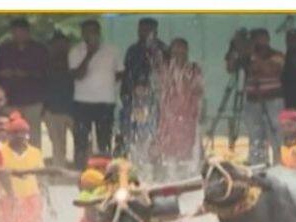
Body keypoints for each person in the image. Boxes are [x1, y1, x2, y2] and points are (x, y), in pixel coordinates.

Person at [69, 19, 124, 170]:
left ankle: (104, 171)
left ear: (99, 33)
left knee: (104, 140)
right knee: (81, 140)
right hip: (82, 101)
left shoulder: (112, 50)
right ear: (82, 33)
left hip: (105, 101)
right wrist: (89, 54)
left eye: (93, 31)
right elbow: (77, 75)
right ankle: (80, 172)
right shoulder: (76, 51)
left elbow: (120, 73)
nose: (89, 34)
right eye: (86, 31)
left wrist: (107, 83)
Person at [226, 28, 285, 165]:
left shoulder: (276, 54)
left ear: (267, 39)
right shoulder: (246, 56)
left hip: (273, 100)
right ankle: (258, 165)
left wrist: (252, 53)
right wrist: (234, 49)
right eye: (254, 39)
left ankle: (280, 163)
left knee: (276, 133)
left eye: (260, 38)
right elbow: (230, 68)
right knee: (255, 134)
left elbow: (269, 68)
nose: (258, 42)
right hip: (252, 100)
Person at [0, 112, 45, 222]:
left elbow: (40, 178)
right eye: (15, 133)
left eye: (22, 132)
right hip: (7, 199)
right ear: (8, 134)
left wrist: (48, 201)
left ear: (28, 134)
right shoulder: (0, 152)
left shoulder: (36, 152)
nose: (19, 136)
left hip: (31, 198)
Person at [150, 38, 204, 181]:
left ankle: (189, 178)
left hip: (188, 116)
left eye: (182, 50)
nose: (179, 53)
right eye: (175, 50)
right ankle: (169, 177)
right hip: (168, 116)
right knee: (168, 148)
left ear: (187, 51)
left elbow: (199, 91)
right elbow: (159, 84)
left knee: (189, 148)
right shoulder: (165, 68)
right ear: (171, 52)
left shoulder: (194, 68)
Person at [0, 18, 49, 147]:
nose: (18, 36)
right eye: (15, 33)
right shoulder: (3, 49)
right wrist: (5, 73)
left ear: (27, 32)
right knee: (8, 131)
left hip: (33, 100)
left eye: (21, 32)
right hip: (10, 100)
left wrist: (27, 74)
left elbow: (46, 73)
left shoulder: (39, 49)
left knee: (33, 133)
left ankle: (34, 162)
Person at [119, 17, 167, 153]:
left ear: (155, 31)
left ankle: (151, 160)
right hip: (131, 98)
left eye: (147, 30)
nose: (143, 33)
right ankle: (129, 156)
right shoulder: (132, 50)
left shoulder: (162, 50)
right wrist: (128, 92)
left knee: (151, 132)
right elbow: (127, 73)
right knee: (129, 132)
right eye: (141, 29)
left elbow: (165, 75)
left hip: (153, 100)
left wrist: (149, 88)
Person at [44, 31, 76, 168]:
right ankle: (58, 171)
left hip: (75, 109)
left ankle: (83, 170)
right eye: (56, 45)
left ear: (68, 46)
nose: (60, 48)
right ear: (51, 46)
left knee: (82, 143)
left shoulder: (76, 60)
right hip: (52, 109)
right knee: (57, 145)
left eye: (63, 44)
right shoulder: (44, 62)